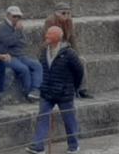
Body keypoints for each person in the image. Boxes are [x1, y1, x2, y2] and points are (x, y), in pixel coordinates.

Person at [26, 26, 84, 154]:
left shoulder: (69, 53)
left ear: (57, 37)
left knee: (69, 120)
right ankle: (38, 146)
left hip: (64, 93)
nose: (46, 36)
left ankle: (73, 146)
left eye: (49, 35)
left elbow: (79, 71)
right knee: (43, 118)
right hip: (47, 92)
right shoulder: (43, 51)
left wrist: (74, 87)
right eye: (47, 34)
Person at [0, 6, 43, 102]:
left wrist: (16, 37)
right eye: (14, 16)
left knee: (37, 65)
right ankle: (28, 93)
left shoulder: (16, 27)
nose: (17, 19)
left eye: (18, 17)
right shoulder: (2, 27)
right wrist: (17, 33)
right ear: (8, 15)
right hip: (7, 56)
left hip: (19, 55)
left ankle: (35, 90)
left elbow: (23, 42)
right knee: (23, 69)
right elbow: (8, 42)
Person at [44, 2, 92, 98]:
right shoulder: (50, 21)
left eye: (68, 13)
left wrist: (76, 54)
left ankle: (82, 89)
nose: (66, 15)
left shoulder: (69, 21)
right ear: (56, 13)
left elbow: (72, 38)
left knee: (81, 61)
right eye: (63, 13)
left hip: (66, 49)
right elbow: (50, 40)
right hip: (52, 49)